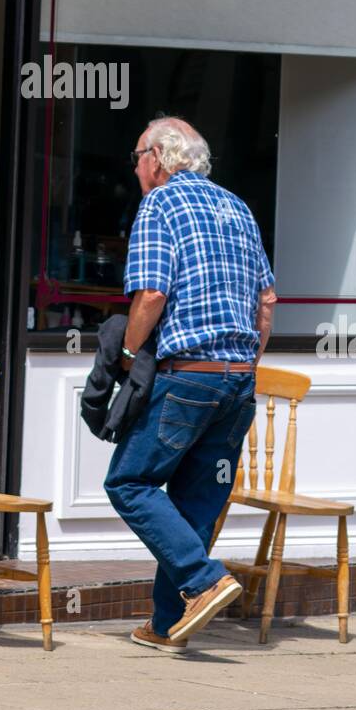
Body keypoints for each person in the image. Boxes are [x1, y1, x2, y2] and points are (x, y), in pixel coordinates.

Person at [104, 116, 277, 651]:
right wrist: (245, 363)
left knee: (129, 483)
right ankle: (165, 624)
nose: (135, 167)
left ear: (158, 156)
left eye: (136, 156)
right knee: (195, 504)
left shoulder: (160, 204)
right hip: (238, 383)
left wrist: (130, 354)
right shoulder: (238, 207)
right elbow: (266, 305)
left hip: (190, 379)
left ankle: (203, 581)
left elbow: (151, 295)